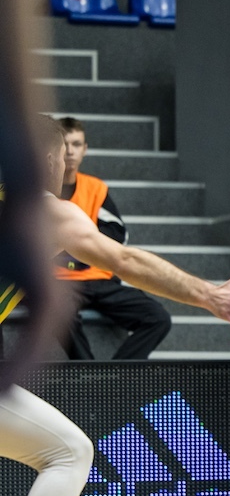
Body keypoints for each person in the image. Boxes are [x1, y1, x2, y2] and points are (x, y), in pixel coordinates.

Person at [1, 115, 230, 496]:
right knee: (68, 452)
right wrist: (207, 294)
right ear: (53, 160)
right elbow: (122, 258)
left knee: (69, 449)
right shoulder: (47, 209)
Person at [54, 117, 172, 360]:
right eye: (65, 145)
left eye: (77, 144)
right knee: (58, 314)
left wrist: (82, 253)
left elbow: (117, 234)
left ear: (85, 149)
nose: (70, 152)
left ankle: (112, 378)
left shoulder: (96, 188)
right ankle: (88, 380)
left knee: (158, 317)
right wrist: (83, 252)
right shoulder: (41, 190)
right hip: (59, 280)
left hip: (100, 279)